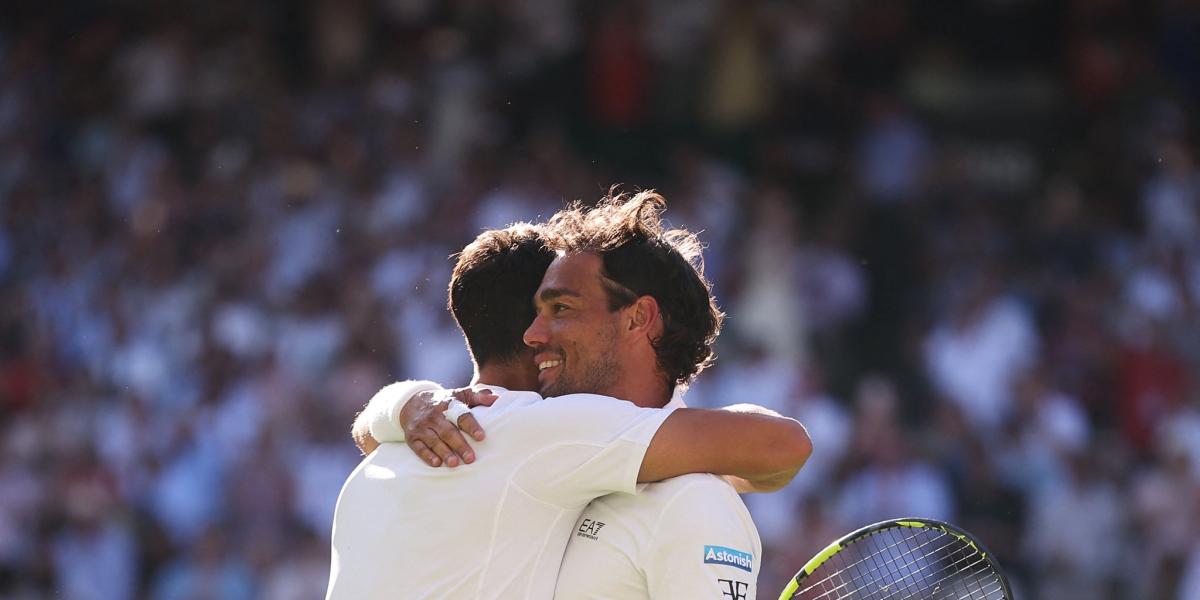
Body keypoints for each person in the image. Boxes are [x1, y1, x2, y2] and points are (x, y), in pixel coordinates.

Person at [328, 207, 811, 600]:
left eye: (560, 309)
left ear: (639, 318)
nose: (535, 335)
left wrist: (402, 402)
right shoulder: (556, 442)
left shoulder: (693, 499)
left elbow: (785, 444)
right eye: (538, 311)